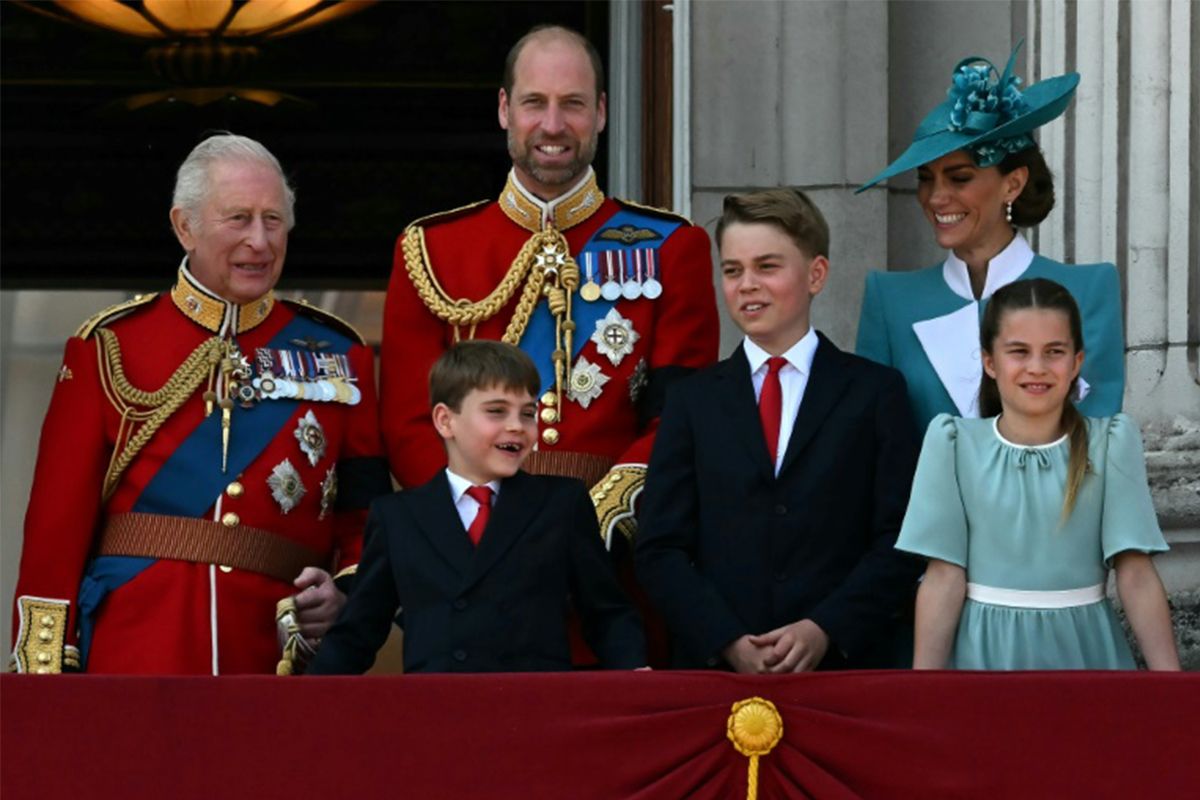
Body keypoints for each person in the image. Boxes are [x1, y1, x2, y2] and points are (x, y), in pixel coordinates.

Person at [8, 134, 391, 675]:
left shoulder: (341, 355)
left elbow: (365, 522)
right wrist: (45, 679)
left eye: (274, 220)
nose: (259, 241)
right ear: (184, 226)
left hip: (272, 664)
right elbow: (55, 533)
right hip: (133, 655)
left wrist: (345, 596)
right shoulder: (109, 347)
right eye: (238, 218)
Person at [379, 24, 718, 546]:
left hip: (612, 559)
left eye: (573, 104)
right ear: (504, 110)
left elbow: (678, 421)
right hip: (473, 559)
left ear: (601, 112)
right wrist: (474, 521)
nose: (553, 125)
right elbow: (409, 424)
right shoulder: (430, 250)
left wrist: (596, 519)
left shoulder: (671, 247)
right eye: (534, 102)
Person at [635, 189, 923, 672]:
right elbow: (660, 547)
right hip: (716, 677)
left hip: (843, 673)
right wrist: (724, 639)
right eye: (732, 270)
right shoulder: (692, 400)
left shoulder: (875, 392)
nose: (747, 284)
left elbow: (900, 538)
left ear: (816, 274)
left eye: (767, 267)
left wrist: (825, 628)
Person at [308, 341, 646, 674]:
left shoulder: (561, 503)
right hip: (441, 711)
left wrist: (635, 674)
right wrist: (305, 702)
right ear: (445, 421)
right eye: (496, 411)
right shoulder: (398, 517)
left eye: (527, 413)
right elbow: (359, 631)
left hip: (536, 711)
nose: (517, 425)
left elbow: (606, 613)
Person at [897, 278, 1179, 670]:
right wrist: (923, 691)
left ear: (1076, 361)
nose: (1037, 367)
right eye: (1019, 352)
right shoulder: (954, 444)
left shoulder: (1110, 442)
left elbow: (1134, 573)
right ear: (990, 362)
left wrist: (1171, 689)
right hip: (983, 655)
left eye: (1054, 352)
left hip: (1085, 651)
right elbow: (944, 577)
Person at [854, 41, 1124, 431]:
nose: (936, 197)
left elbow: (1096, 437)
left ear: (1012, 184)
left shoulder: (1088, 289)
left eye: (960, 178)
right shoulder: (889, 300)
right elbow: (875, 443)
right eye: (925, 179)